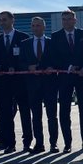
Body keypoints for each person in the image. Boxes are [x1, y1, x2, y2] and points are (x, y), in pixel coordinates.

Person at [50, 10, 83, 153]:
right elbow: (54, 57)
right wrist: (68, 67)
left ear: (75, 20)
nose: (66, 21)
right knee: (64, 111)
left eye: (69, 19)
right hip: (65, 78)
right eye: (64, 19)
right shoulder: (56, 36)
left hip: (82, 77)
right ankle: (67, 143)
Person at [19, 16, 59, 154]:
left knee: (52, 116)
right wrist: (28, 67)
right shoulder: (25, 44)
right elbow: (20, 62)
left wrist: (52, 67)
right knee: (36, 117)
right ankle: (39, 143)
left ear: (44, 27)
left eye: (38, 25)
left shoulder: (52, 43)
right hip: (32, 85)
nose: (36, 28)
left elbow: (59, 60)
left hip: (50, 84)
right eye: (33, 26)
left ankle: (53, 144)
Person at [0, 11, 32, 153]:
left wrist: (15, 67)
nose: (2, 22)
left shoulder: (23, 38)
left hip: (21, 81)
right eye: (0, 20)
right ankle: (10, 143)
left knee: (25, 112)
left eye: (4, 19)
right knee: (6, 114)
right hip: (4, 82)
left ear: (12, 20)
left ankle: (27, 142)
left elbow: (27, 58)